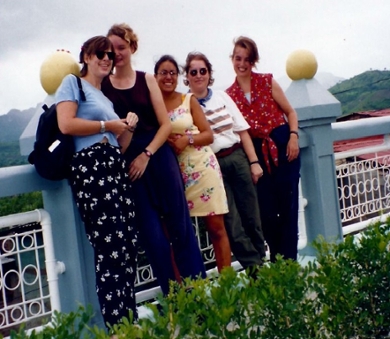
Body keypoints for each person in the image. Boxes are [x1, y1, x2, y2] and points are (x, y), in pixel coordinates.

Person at [101, 24, 206, 295]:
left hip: (157, 156)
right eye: (112, 49)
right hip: (128, 165)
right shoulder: (103, 86)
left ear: (132, 48)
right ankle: (174, 299)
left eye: (122, 48)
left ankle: (200, 295)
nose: (117, 54)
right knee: (153, 238)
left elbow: (165, 125)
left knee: (180, 229)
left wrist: (146, 155)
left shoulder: (146, 79)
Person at [55, 36, 138, 328]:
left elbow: (120, 144)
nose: (106, 58)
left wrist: (126, 127)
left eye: (110, 55)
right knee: (110, 247)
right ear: (86, 57)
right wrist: (108, 125)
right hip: (92, 170)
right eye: (100, 53)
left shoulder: (105, 97)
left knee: (127, 245)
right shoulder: (72, 83)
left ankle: (130, 322)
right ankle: (117, 327)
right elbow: (66, 124)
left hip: (114, 167)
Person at [183, 51, 266, 272]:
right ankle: (256, 271)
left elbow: (242, 131)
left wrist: (254, 162)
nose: (199, 75)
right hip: (212, 167)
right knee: (231, 224)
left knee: (252, 217)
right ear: (187, 76)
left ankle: (263, 266)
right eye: (194, 72)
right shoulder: (186, 105)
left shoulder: (221, 97)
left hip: (237, 157)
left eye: (203, 71)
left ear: (209, 74)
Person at [226, 36, 300, 262]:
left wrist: (293, 137)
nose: (242, 64)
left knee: (288, 208)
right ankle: (279, 264)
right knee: (266, 213)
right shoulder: (229, 95)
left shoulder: (267, 81)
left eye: (247, 59)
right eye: (238, 58)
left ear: (253, 61)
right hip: (256, 153)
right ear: (232, 59)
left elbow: (291, 112)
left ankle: (291, 265)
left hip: (282, 145)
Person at [154, 55, 231, 272]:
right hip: (172, 174)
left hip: (201, 167)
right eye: (163, 73)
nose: (168, 77)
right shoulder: (152, 105)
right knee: (174, 233)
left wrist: (185, 139)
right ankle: (184, 294)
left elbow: (208, 135)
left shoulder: (188, 100)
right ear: (155, 76)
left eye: (172, 73)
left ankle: (226, 285)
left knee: (216, 228)